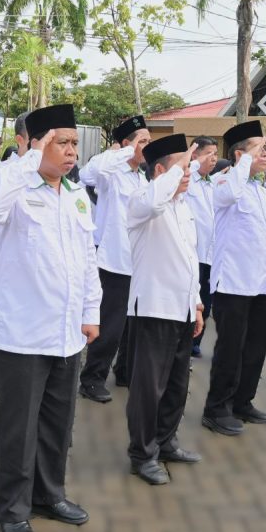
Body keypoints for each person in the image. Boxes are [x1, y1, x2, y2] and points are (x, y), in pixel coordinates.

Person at [0, 104, 101, 532]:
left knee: (57, 424)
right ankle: (12, 509)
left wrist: (91, 312)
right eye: (59, 142)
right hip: (21, 335)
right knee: (18, 429)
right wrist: (31, 156)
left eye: (73, 143)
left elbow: (87, 260)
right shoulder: (11, 185)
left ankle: (49, 495)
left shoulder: (76, 194)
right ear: (33, 143)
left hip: (65, 332)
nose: (70, 151)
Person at [125, 134, 204, 486]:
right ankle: (142, 454)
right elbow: (154, 199)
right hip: (154, 308)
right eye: (181, 168)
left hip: (182, 308)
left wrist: (197, 303)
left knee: (177, 383)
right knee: (148, 388)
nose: (187, 175)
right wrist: (175, 172)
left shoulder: (183, 206)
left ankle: (166, 441)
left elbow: (189, 259)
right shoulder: (142, 200)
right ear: (160, 171)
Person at [202, 121, 266, 436]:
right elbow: (229, 194)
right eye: (259, 149)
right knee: (230, 350)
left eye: (265, 149)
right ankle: (216, 409)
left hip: (261, 284)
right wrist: (244, 161)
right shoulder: (223, 182)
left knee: (255, 348)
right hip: (233, 283)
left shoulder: (260, 191)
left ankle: (242, 401)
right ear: (239, 154)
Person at [77, 115, 150, 402]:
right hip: (114, 261)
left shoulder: (142, 177)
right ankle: (92, 378)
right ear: (126, 144)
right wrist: (124, 150)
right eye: (142, 141)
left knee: (133, 324)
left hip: (139, 261)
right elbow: (88, 173)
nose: (147, 146)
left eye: (149, 140)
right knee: (110, 325)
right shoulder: (111, 174)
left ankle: (124, 371)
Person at [185, 136, 218, 358]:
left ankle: (195, 341)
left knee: (205, 301)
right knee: (189, 301)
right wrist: (193, 163)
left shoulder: (213, 184)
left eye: (216, 154)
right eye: (209, 154)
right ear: (195, 155)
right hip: (192, 253)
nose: (214, 158)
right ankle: (184, 345)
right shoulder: (187, 180)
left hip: (211, 254)